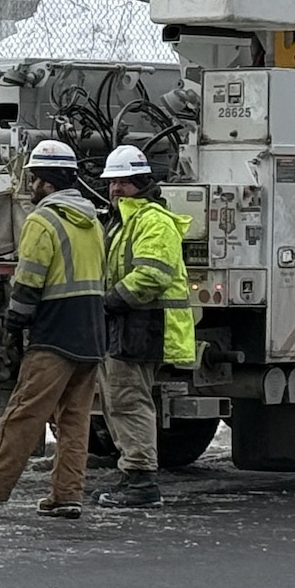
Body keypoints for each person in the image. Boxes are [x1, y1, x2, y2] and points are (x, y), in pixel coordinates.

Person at [0, 139, 106, 520]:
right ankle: (67, 495)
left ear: (46, 182)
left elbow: (28, 280)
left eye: (33, 178)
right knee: (74, 420)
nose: (30, 186)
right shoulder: (93, 220)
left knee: (23, 414)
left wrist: (15, 323)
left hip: (54, 333)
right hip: (91, 333)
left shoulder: (42, 221)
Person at [94, 144, 196, 509]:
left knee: (128, 400)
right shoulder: (124, 220)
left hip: (143, 323)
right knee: (117, 400)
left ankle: (141, 479)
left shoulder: (151, 220)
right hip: (129, 322)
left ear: (140, 182)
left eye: (123, 182)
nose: (115, 189)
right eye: (112, 183)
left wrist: (107, 302)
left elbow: (151, 276)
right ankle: (131, 472)